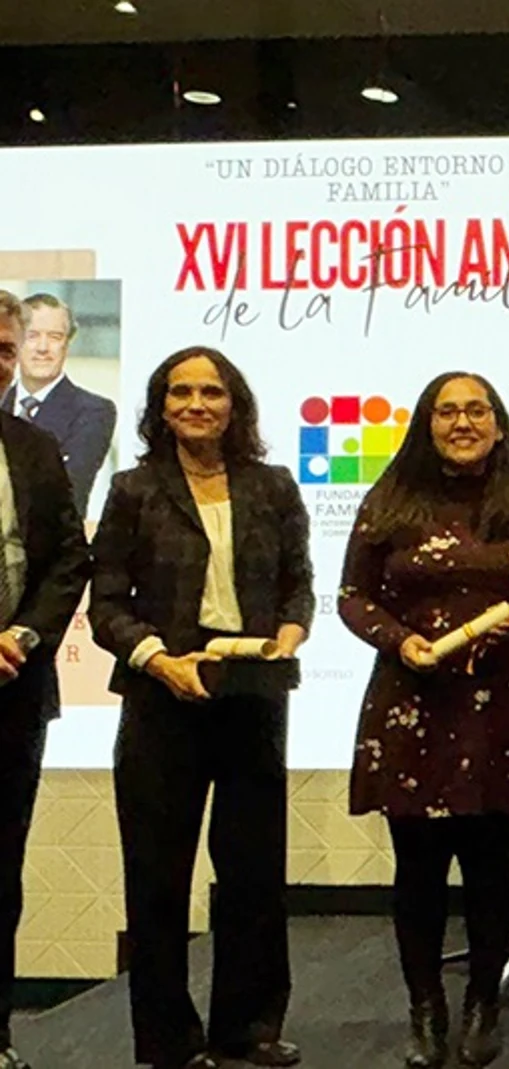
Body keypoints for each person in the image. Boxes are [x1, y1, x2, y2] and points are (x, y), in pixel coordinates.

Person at [89, 347, 314, 1069]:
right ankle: (169, 1041)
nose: (196, 404)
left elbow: (298, 584)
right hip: (163, 695)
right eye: (180, 392)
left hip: (251, 694)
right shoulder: (133, 489)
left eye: (211, 392)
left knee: (254, 872)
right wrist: (159, 658)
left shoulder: (272, 486)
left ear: (233, 403)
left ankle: (247, 1027)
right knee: (157, 876)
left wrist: (290, 633)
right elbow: (106, 604)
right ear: (160, 407)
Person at [339, 372, 509, 1069]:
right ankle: (425, 1008)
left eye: (476, 410)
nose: (462, 422)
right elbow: (352, 596)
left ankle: (482, 1005)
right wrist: (398, 639)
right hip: (411, 703)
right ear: (427, 424)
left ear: (497, 424)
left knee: (491, 868)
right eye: (447, 411)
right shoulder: (389, 501)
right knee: (418, 869)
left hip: (501, 705)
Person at [0, 290, 91, 1069]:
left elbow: (67, 558)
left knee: (0, 874)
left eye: (3, 351)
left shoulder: (33, 447)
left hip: (12, 691)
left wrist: (22, 635)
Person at [0, 293, 117, 509]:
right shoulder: (3, 403)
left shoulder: (93, 411)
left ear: (67, 344)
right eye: (32, 336)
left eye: (55, 337)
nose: (43, 348)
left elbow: (69, 492)